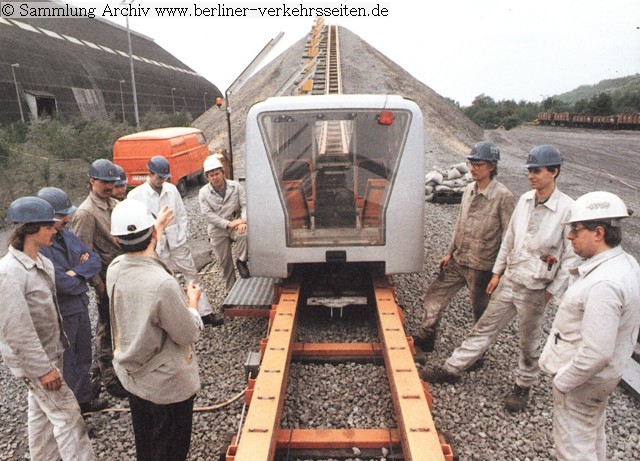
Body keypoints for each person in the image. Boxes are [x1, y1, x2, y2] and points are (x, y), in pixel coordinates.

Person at [422, 145, 579, 412]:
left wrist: (552, 290)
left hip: (536, 287)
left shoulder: (567, 210)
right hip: (511, 280)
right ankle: (452, 369)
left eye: (537, 171)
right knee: (483, 327)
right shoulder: (526, 201)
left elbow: (571, 257)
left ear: (554, 172)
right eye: (529, 171)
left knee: (528, 342)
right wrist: (497, 274)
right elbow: (509, 240)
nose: (531, 176)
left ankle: (523, 386)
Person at [539, 191, 640, 461]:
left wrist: (563, 382)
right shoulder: (625, 263)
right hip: (600, 379)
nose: (570, 236)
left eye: (576, 229)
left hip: (583, 382)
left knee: (574, 450)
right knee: (592, 437)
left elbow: (597, 351)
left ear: (598, 233)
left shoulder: (604, 284)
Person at [0, 196, 95, 460]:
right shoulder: (9, 274)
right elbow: (16, 331)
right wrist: (42, 370)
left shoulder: (43, 263)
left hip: (51, 355)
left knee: (41, 415)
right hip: (37, 363)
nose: (55, 230)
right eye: (49, 226)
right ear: (30, 230)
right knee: (67, 415)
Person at [107, 199, 203, 461]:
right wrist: (193, 304)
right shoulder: (163, 284)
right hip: (166, 387)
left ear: (117, 241)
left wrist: (155, 229)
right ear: (152, 235)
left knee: (147, 446)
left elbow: (138, 256)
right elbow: (187, 334)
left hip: (134, 378)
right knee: (171, 451)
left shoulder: (114, 270)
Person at [415, 141, 515, 352]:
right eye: (471, 164)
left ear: (491, 166)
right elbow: (460, 224)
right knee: (434, 297)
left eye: (478, 164)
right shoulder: (469, 189)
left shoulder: (503, 197)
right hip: (458, 260)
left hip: (482, 267)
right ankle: (426, 338)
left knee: (481, 313)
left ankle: (477, 354)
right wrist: (449, 253)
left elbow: (509, 238)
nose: (472, 168)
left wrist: (499, 273)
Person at [127, 155, 222, 326]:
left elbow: (182, 214)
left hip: (177, 241)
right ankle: (172, 319)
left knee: (192, 275)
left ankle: (205, 312)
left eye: (164, 177)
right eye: (159, 177)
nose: (161, 181)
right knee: (164, 281)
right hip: (156, 245)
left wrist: (182, 235)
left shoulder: (171, 189)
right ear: (149, 173)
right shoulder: (135, 195)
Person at [38, 187, 109, 413]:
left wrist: (75, 272)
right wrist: (81, 270)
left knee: (83, 357)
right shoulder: (41, 248)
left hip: (79, 306)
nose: (67, 219)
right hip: (62, 312)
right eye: (61, 216)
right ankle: (72, 412)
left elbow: (94, 260)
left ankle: (84, 401)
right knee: (67, 362)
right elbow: (62, 284)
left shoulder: (66, 235)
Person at [71, 158, 127, 398]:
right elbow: (82, 254)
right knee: (106, 326)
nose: (108, 186)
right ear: (91, 181)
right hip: (105, 279)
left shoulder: (114, 204)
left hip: (122, 273)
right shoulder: (86, 213)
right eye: (104, 182)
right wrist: (98, 284)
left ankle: (120, 368)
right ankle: (109, 376)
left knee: (121, 325)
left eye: (111, 182)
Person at [199, 155, 250, 292]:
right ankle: (231, 292)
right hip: (217, 230)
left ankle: (242, 261)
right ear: (207, 177)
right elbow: (209, 215)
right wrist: (229, 224)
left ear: (223, 173)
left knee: (244, 234)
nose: (215, 177)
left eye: (217, 173)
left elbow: (245, 205)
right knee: (224, 263)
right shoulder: (203, 193)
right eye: (211, 175)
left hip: (237, 223)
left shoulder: (236, 186)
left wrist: (243, 220)